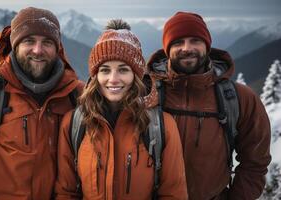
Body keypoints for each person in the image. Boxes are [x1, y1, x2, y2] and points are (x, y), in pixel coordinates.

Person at [0, 7, 84, 199]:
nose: (38, 50)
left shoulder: (77, 96)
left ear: (58, 48)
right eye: (29, 41)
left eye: (47, 42)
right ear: (15, 46)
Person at [55, 19, 188, 200]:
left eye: (123, 70)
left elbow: (173, 194)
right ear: (95, 76)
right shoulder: (74, 124)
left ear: (136, 75)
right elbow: (66, 192)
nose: (113, 79)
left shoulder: (161, 126)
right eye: (105, 70)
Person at [146, 11, 271, 199]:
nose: (187, 48)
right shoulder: (146, 92)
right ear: (166, 49)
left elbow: (255, 162)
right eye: (178, 42)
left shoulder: (239, 98)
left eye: (195, 41)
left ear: (207, 45)